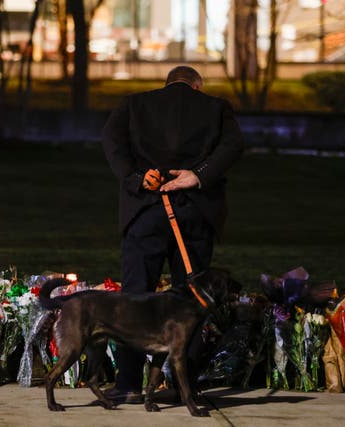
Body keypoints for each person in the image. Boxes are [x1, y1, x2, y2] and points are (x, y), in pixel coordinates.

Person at [101, 65, 244, 401]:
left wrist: (137, 177)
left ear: (166, 84)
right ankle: (185, 385)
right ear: (197, 86)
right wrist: (198, 174)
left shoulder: (134, 104)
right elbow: (234, 145)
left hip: (146, 211)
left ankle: (128, 383)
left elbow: (111, 140)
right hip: (194, 214)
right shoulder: (216, 108)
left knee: (135, 295)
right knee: (193, 298)